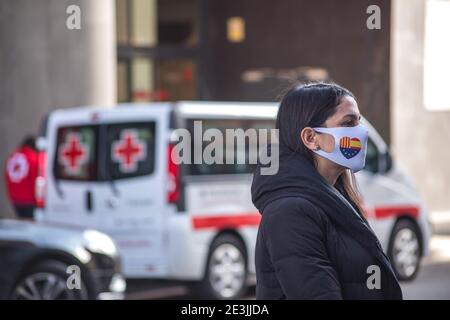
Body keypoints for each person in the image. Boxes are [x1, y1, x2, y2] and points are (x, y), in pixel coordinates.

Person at [251, 82, 402, 299]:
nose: (361, 132)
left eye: (359, 122)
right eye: (348, 122)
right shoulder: (291, 212)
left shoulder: (335, 197)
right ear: (311, 138)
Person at [5, 135, 39, 219]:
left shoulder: (12, 157)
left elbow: (7, 177)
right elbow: (36, 181)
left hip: (15, 199)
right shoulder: (33, 158)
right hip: (30, 200)